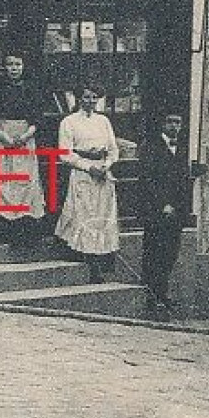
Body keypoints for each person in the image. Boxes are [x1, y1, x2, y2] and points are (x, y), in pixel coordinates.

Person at [137, 113, 207, 319]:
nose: (174, 126)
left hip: (176, 212)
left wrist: (193, 176)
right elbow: (149, 180)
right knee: (153, 253)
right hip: (156, 211)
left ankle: (162, 293)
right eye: (170, 122)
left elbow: (182, 180)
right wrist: (163, 204)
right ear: (163, 123)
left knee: (170, 253)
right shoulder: (151, 147)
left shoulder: (184, 149)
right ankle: (151, 296)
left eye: (178, 122)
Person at [0, 52, 47, 248]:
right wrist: (5, 138)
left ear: (23, 66)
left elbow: (37, 118)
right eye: (10, 64)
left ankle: (22, 231)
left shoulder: (30, 88)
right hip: (1, 137)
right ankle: (1, 230)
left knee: (23, 181)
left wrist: (25, 136)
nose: (14, 68)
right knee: (1, 181)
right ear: (4, 67)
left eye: (18, 64)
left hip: (24, 138)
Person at [55, 84, 122, 281]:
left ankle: (103, 259)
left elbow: (113, 149)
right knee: (85, 212)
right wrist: (87, 167)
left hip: (102, 173)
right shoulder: (69, 122)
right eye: (86, 97)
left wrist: (106, 164)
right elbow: (64, 153)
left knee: (102, 214)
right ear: (78, 98)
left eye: (94, 97)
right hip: (82, 173)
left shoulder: (103, 121)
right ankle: (88, 261)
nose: (90, 101)